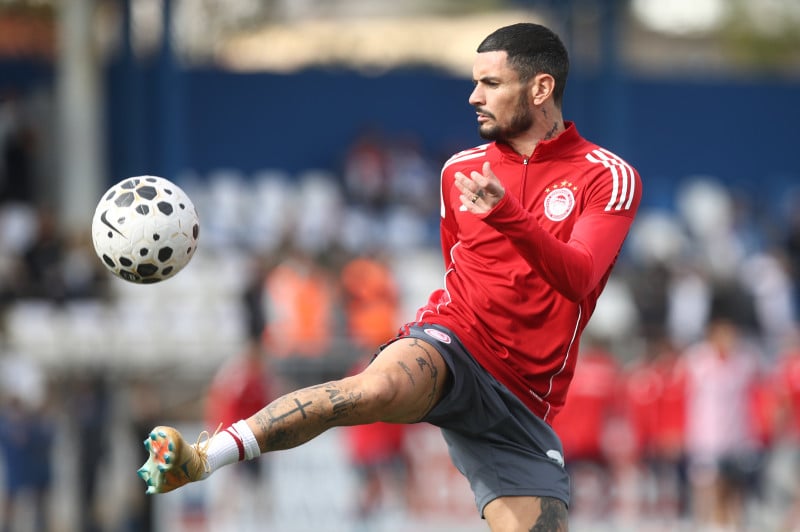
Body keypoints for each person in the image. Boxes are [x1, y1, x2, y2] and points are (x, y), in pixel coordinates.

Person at [137, 22, 641, 531]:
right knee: (375, 389)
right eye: (475, 82)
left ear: (540, 88)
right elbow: (460, 267)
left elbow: (579, 277)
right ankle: (203, 459)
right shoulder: (460, 171)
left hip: (524, 401)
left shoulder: (608, 176)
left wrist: (506, 213)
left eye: (491, 83)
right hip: (455, 344)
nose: (474, 97)